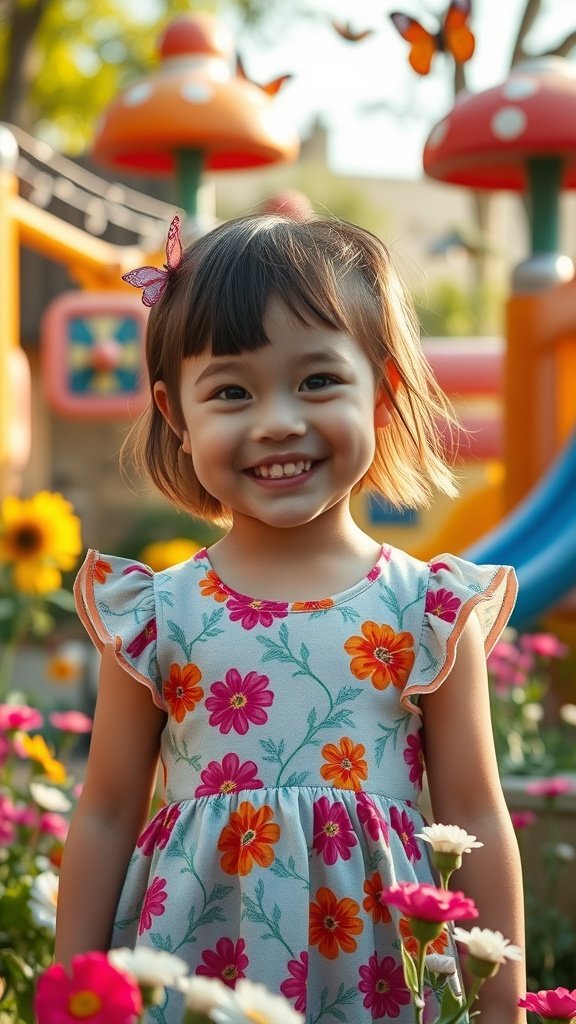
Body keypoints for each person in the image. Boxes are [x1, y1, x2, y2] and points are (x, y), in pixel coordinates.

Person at [54, 213, 526, 1024]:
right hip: (196, 961)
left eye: (315, 382)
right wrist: (73, 994)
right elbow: (104, 810)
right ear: (176, 412)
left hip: (376, 968)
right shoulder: (157, 615)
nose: (276, 420)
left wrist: (502, 1011)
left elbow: (476, 813)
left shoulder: (428, 611)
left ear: (383, 394)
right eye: (232, 391)